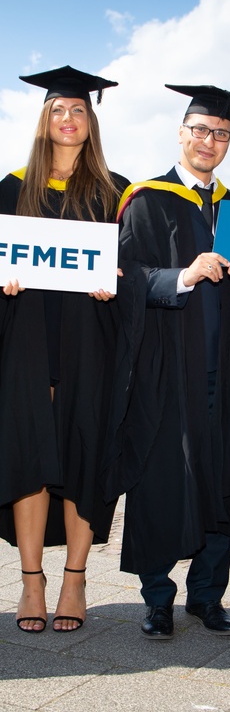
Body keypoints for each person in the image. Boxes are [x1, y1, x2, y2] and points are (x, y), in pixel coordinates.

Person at [103, 84, 230, 639]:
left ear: (229, 142)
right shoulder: (146, 200)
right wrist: (183, 277)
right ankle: (158, 599)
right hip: (166, 372)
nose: (209, 141)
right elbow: (125, 283)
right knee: (161, 481)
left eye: (221, 134)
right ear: (181, 133)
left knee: (220, 480)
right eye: (200, 130)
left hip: (225, 372)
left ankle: (208, 597)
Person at [0, 65, 130, 633]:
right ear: (44, 119)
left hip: (88, 344)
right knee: (29, 457)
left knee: (83, 455)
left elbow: (132, 267)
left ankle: (75, 578)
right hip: (27, 339)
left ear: (91, 119)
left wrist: (117, 278)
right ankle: (32, 581)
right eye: (58, 109)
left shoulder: (115, 190)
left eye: (78, 109)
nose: (68, 118)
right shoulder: (12, 186)